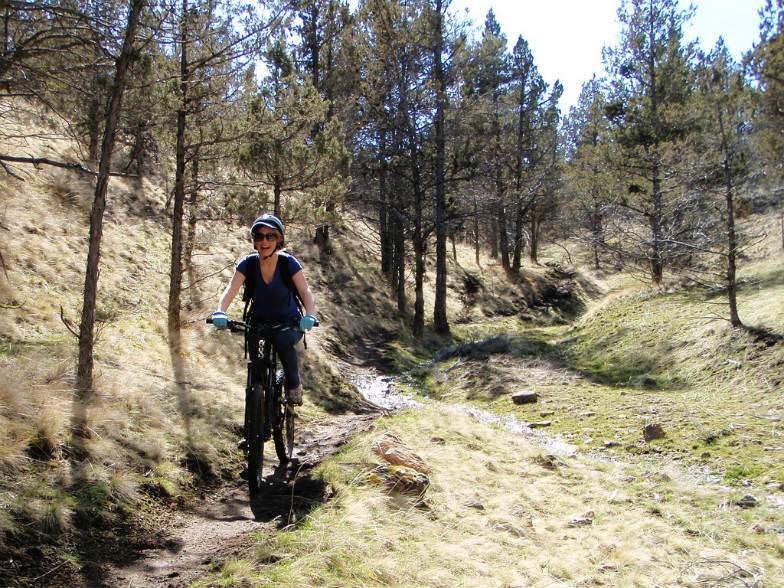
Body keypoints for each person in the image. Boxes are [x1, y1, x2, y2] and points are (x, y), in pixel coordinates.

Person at [210, 214, 317, 405]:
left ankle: (294, 385)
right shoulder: (248, 264)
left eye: (270, 236)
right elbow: (231, 289)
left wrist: (310, 315)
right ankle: (258, 404)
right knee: (256, 363)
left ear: (279, 240)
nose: (264, 241)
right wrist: (220, 310)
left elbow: (305, 290)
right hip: (259, 322)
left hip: (289, 322)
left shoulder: (288, 263)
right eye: (259, 236)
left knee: (283, 341)